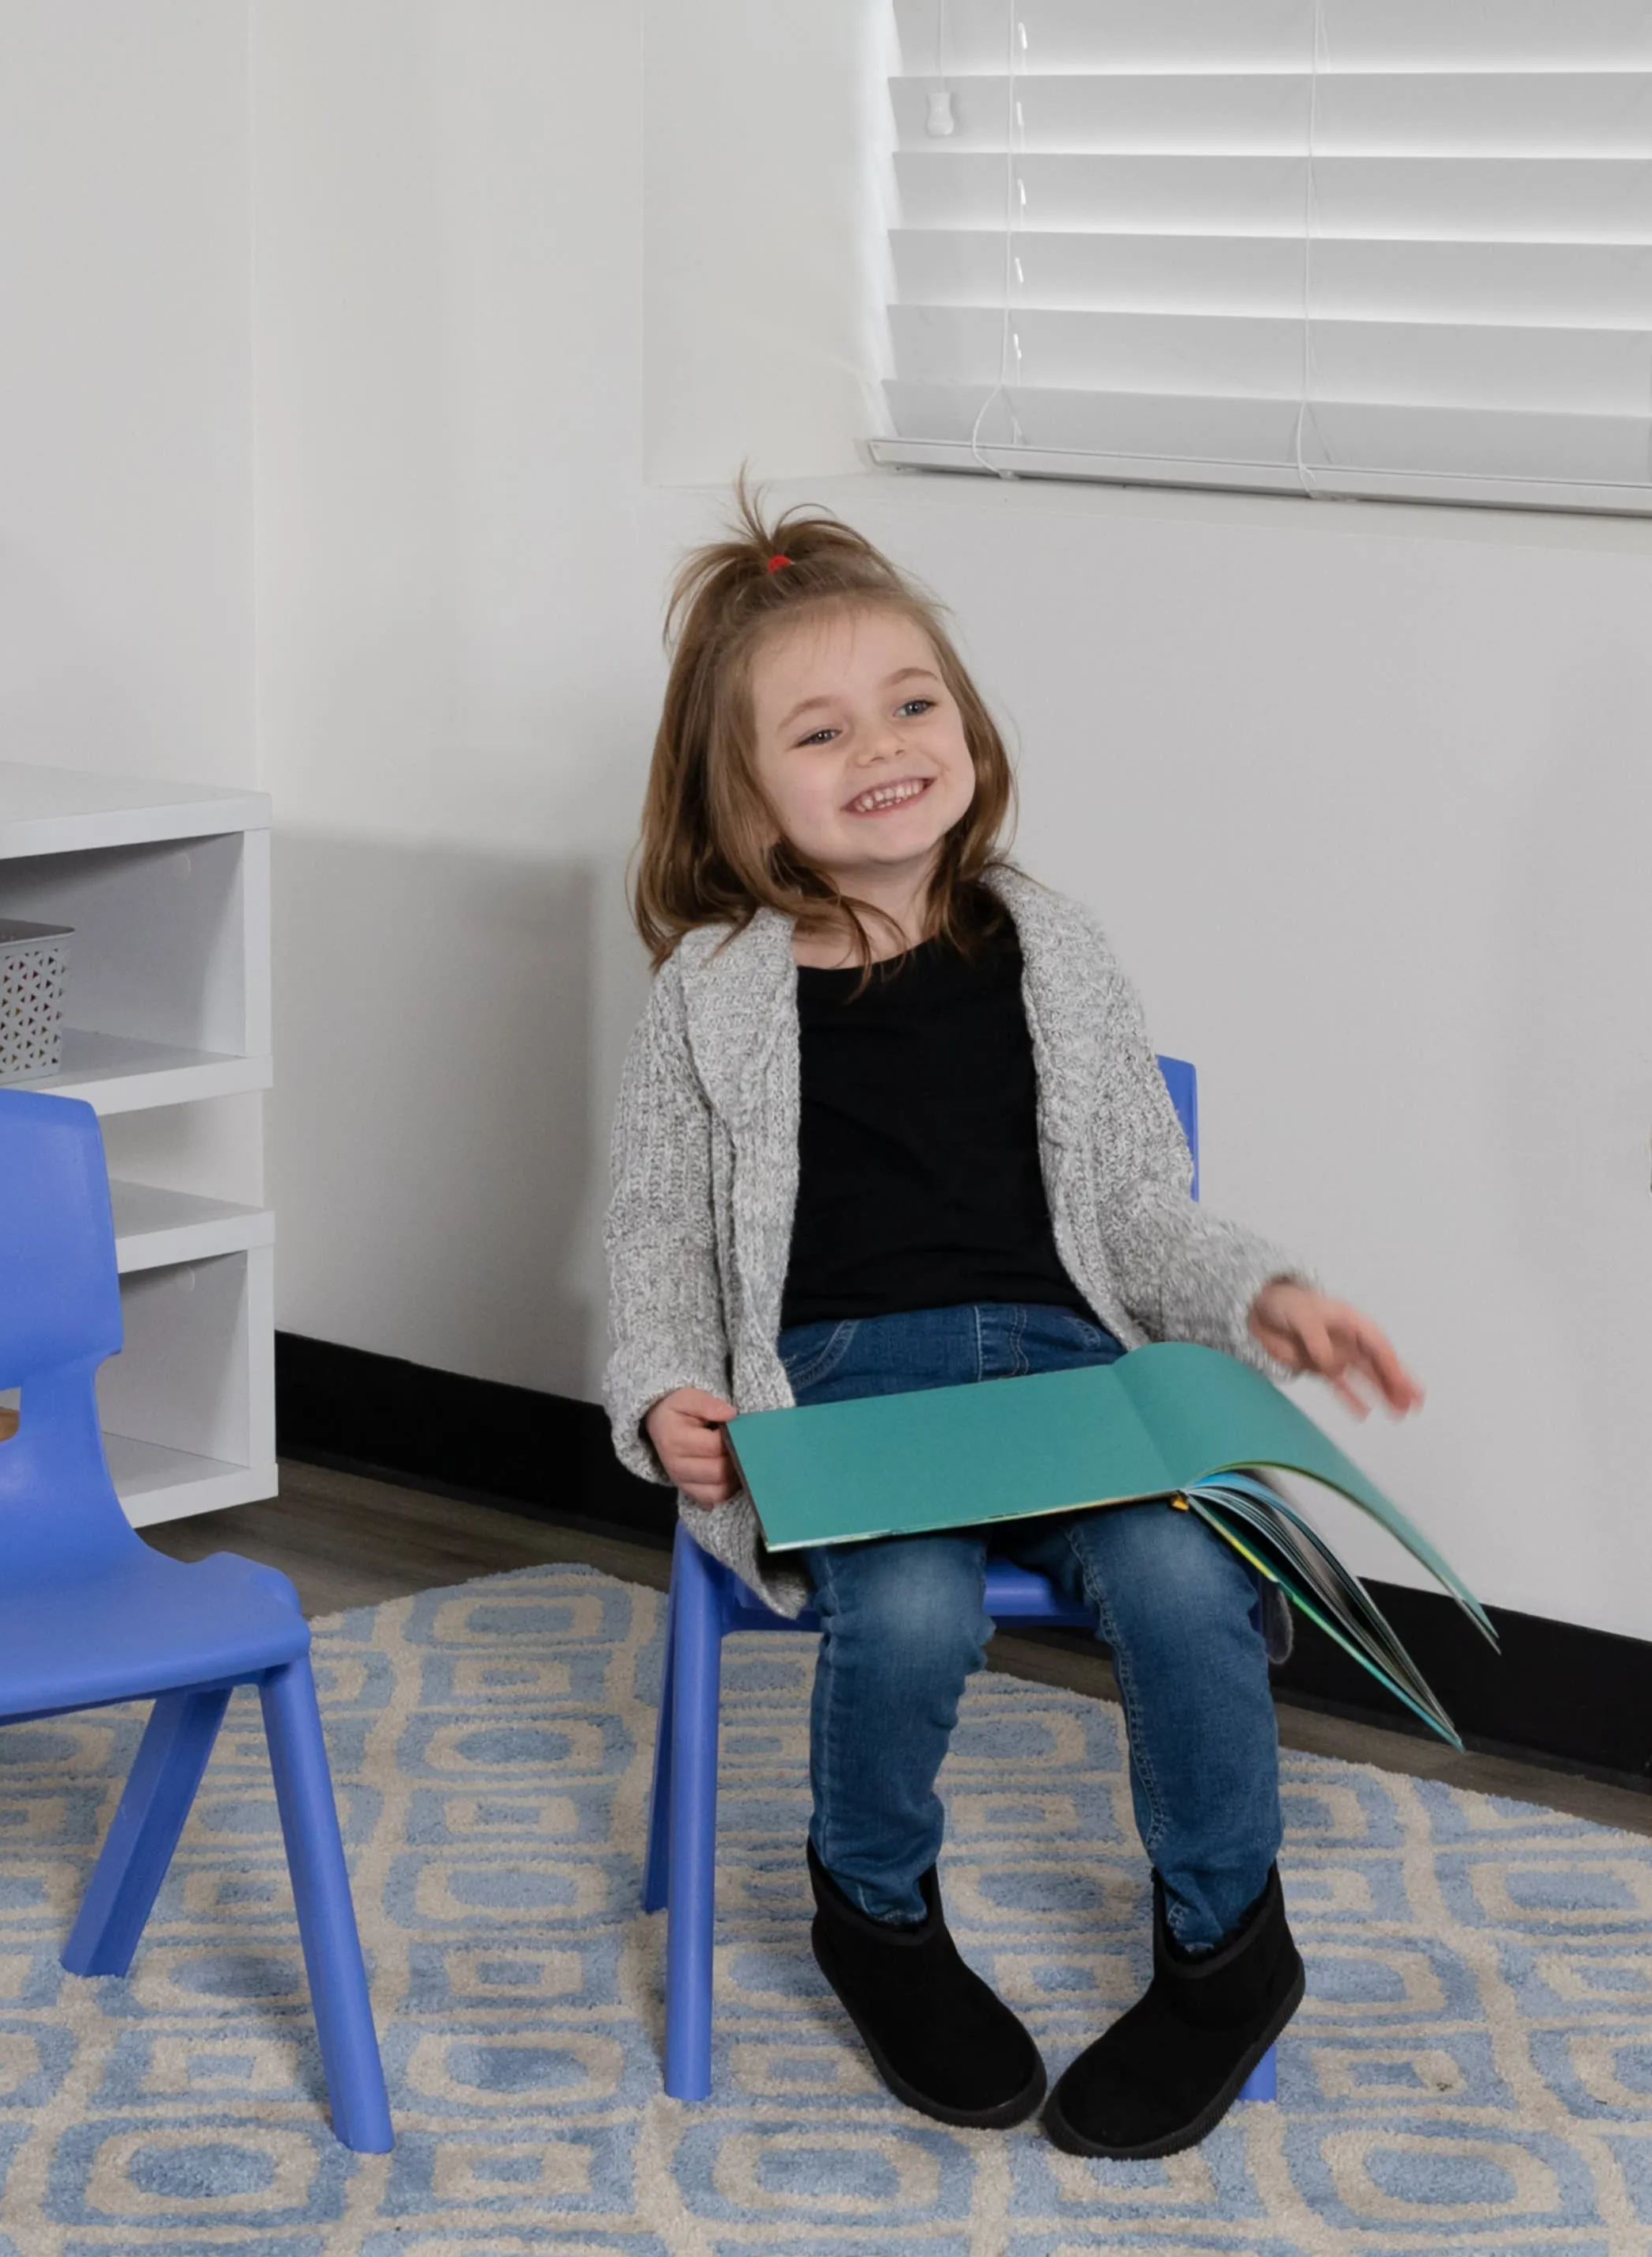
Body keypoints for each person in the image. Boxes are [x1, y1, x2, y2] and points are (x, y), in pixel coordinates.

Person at [603, 493, 1421, 2158]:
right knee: (902, 1620)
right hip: (844, 1400)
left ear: (967, 725)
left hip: (1069, 1379)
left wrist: (1263, 1292)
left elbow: (1139, 1211)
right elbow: (655, 1251)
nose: (886, 748)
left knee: (1193, 1585)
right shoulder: (714, 994)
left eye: (915, 704)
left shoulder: (1057, 945)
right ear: (749, 802)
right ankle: (875, 1910)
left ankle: (1225, 1944)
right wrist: (667, 1392)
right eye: (820, 733)